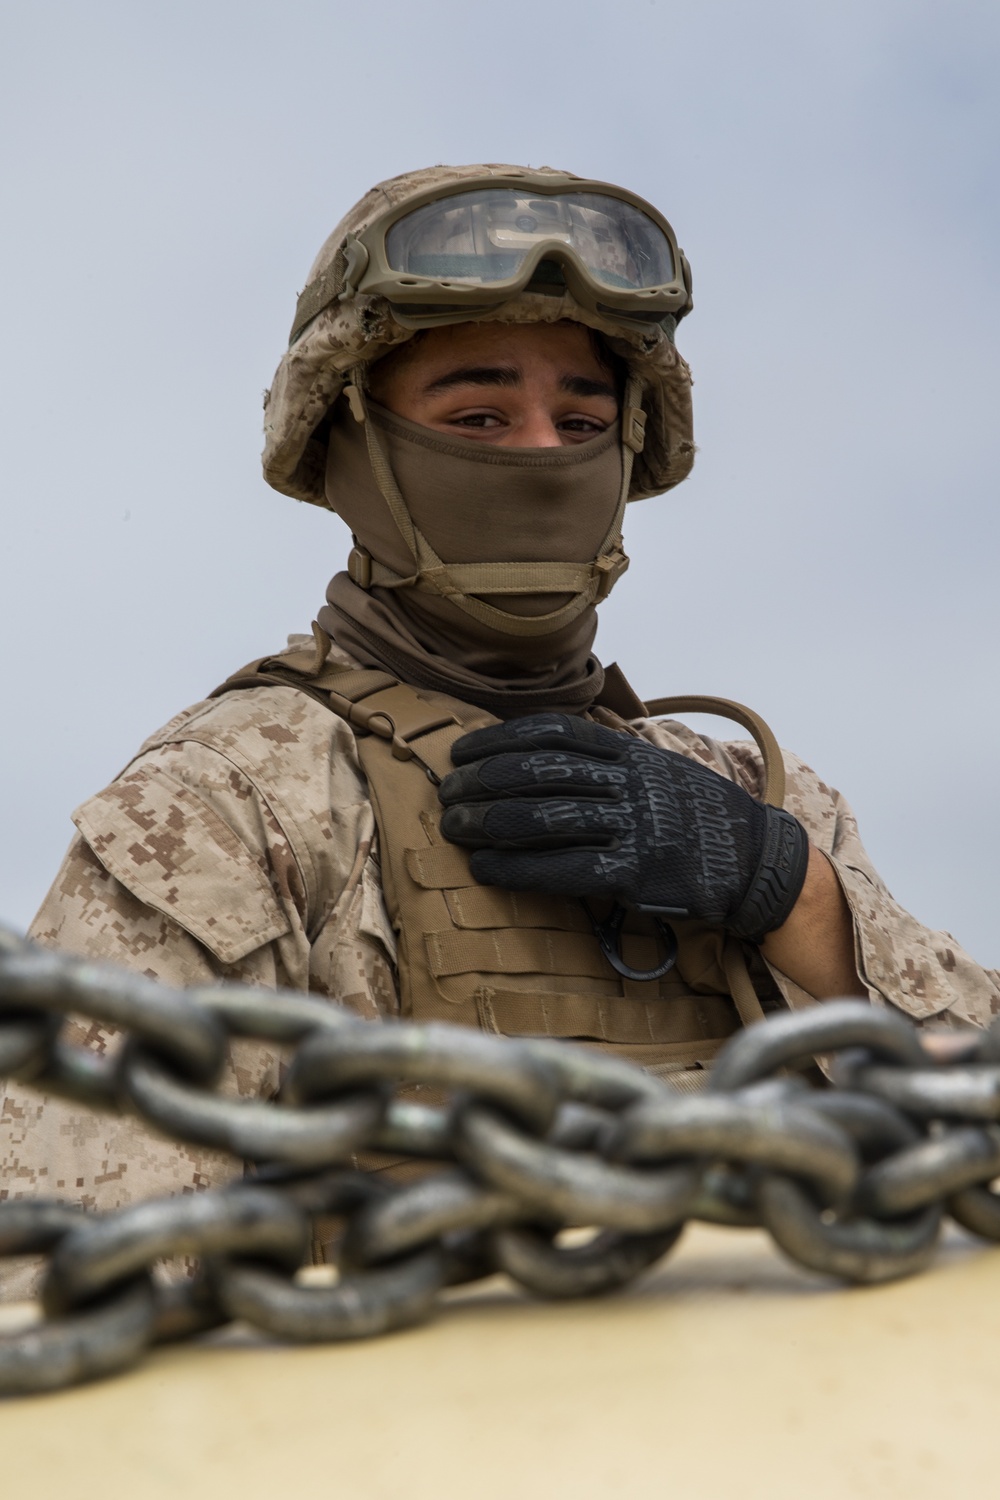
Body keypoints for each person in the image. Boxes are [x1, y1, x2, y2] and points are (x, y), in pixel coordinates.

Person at [2, 164, 998, 1280]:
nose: (538, 454)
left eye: (580, 420)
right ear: (346, 447)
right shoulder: (230, 801)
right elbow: (79, 1285)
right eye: (477, 416)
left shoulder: (759, 798)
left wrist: (798, 900)